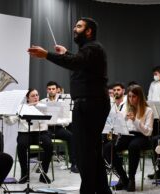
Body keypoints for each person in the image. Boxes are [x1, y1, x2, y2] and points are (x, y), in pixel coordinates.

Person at [28, 17, 111, 194]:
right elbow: (78, 61)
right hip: (90, 104)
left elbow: (76, 62)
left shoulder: (93, 48)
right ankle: (103, 191)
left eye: (79, 26)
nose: (74, 28)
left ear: (88, 31)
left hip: (91, 105)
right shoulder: (88, 51)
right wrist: (65, 53)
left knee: (85, 155)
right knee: (92, 153)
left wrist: (47, 55)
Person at [104, 85, 153, 192]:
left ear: (139, 97)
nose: (131, 99)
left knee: (133, 146)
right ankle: (123, 177)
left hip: (142, 137)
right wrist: (120, 121)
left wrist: (135, 120)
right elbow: (119, 126)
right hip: (127, 135)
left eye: (134, 97)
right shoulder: (125, 108)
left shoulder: (148, 110)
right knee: (108, 148)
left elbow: (148, 131)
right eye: (129, 97)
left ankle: (132, 179)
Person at [40, 81, 78, 173]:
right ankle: (42, 165)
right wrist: (48, 121)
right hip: (47, 129)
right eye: (49, 89)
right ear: (47, 90)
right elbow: (40, 119)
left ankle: (74, 164)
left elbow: (68, 119)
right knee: (44, 140)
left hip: (58, 128)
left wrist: (56, 121)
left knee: (71, 137)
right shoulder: (42, 102)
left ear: (57, 90)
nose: (51, 91)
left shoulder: (63, 103)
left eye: (53, 89)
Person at [17, 89, 53, 184]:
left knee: (49, 145)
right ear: (27, 98)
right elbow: (10, 121)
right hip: (25, 133)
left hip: (40, 133)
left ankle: (43, 174)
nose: (36, 97)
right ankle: (24, 174)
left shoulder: (43, 106)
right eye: (33, 96)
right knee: (21, 145)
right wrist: (12, 114)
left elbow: (50, 116)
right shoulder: (21, 107)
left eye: (37, 95)